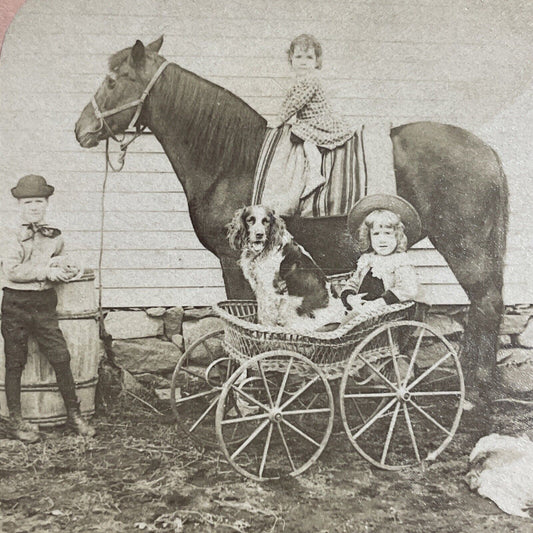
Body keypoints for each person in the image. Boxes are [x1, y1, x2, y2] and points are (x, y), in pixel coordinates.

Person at [1, 175, 95, 442]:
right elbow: (13, 271)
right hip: (16, 302)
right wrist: (47, 272)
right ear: (19, 205)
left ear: (46, 204)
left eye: (39, 202)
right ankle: (16, 420)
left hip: (44, 304)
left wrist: (67, 265)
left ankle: (74, 415)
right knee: (15, 361)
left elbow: (59, 257)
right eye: (28, 202)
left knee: (61, 357)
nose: (34, 207)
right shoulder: (10, 233)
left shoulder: (53, 234)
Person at [270, 34, 354, 192]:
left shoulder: (311, 80)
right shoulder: (299, 79)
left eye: (309, 57)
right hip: (309, 121)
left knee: (308, 141)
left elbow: (296, 103)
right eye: (298, 56)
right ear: (291, 59)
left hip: (319, 122)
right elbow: (288, 101)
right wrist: (278, 116)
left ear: (317, 62)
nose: (303, 61)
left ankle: (315, 174)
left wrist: (279, 120)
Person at [340, 194, 422, 316]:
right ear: (369, 237)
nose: (382, 240)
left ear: (398, 236)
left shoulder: (400, 261)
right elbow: (354, 282)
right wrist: (351, 298)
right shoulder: (367, 260)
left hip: (390, 312)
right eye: (376, 234)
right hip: (364, 311)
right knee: (335, 322)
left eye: (388, 233)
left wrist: (380, 302)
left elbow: (408, 289)